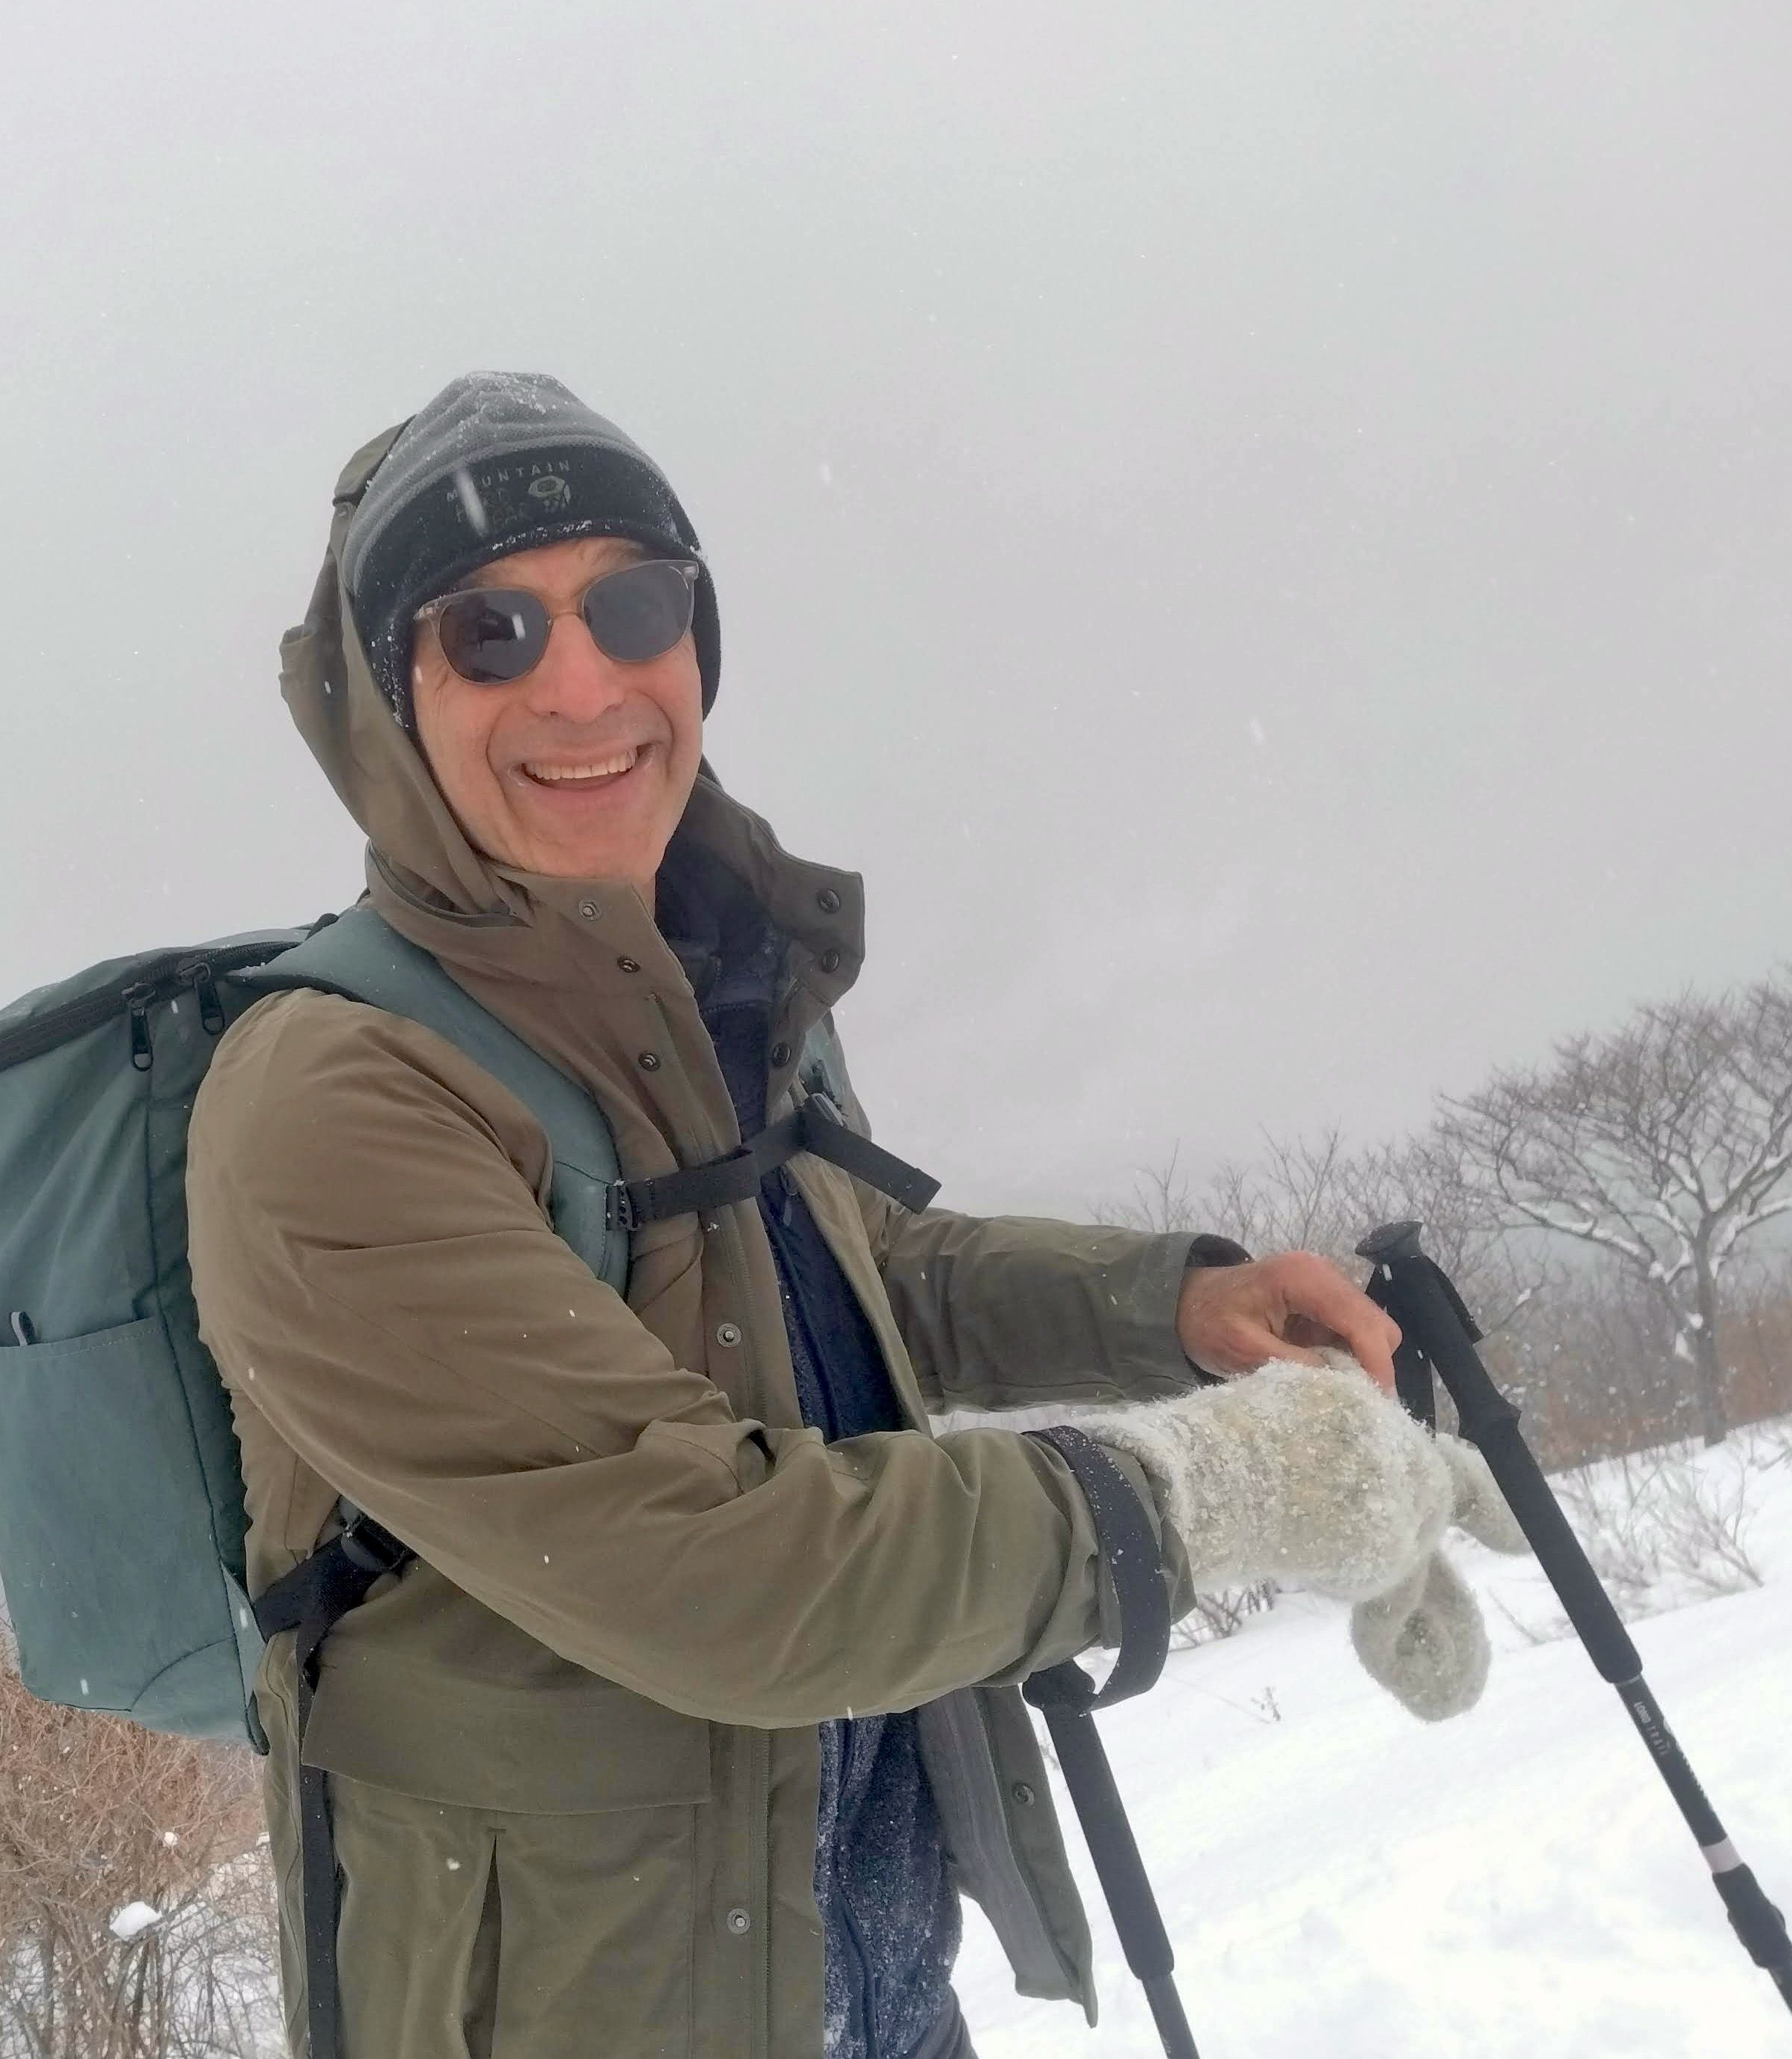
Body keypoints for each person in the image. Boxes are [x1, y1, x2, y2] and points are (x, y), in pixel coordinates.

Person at [189, 373, 1516, 2059]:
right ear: (389, 699)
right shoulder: (331, 1096)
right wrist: (1215, 1492)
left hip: (855, 1949)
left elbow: (865, 1273)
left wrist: (1179, 1310)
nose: (581, 676)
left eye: (632, 603)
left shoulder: (713, 980)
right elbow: (722, 1571)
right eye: (489, 631)